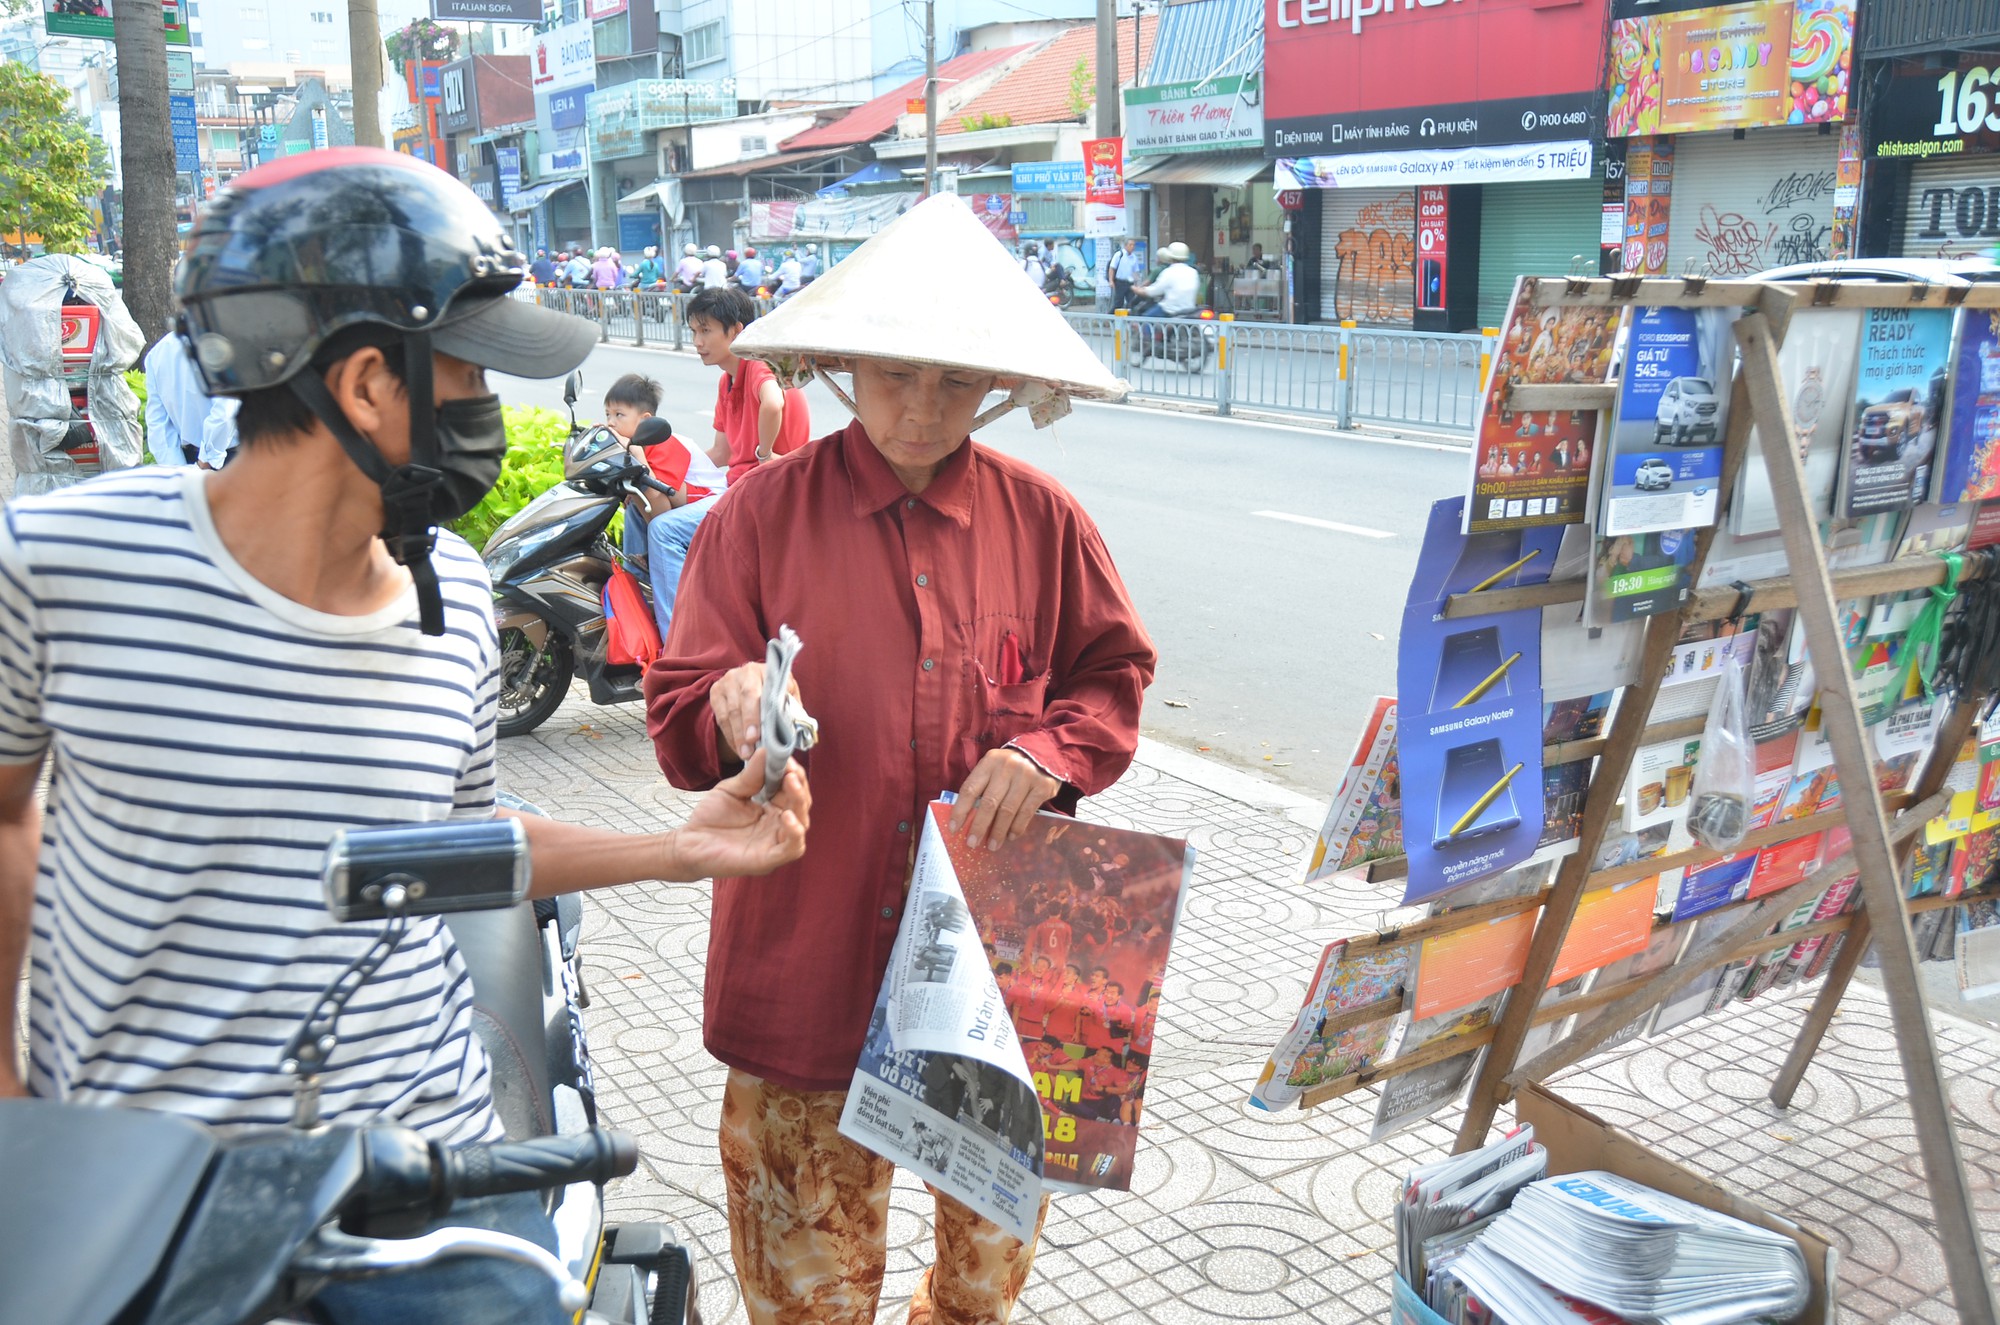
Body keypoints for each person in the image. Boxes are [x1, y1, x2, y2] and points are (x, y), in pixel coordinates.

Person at [0, 149, 812, 1325]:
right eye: (476, 376)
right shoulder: (63, 564)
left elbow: (447, 842)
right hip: (141, 1194)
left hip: (431, 1180)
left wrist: (678, 849)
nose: (491, 414)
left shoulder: (456, 601)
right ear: (373, 381)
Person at [644, 192, 1152, 1325]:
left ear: (996, 389)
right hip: (804, 971)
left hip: (992, 985)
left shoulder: (1046, 521)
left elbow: (1109, 681)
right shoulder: (757, 517)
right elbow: (680, 702)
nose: (922, 410)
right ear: (841, 368)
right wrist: (729, 700)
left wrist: (1048, 749)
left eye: (954, 382)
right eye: (892, 377)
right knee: (806, 1300)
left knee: (982, 1286)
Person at [688, 284, 809, 489]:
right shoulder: (727, 380)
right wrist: (674, 469)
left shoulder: (758, 365)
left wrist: (765, 454)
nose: (697, 342)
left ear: (736, 330)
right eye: (694, 332)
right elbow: (721, 452)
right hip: (740, 484)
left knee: (664, 523)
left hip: (769, 485)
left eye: (705, 331)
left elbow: (772, 403)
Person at [142, 323, 239, 468]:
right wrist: (205, 461)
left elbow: (157, 420)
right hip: (229, 461)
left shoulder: (159, 351)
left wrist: (176, 469)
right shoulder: (222, 345)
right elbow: (225, 412)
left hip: (187, 463)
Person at [1132, 240, 1199, 317]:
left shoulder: (1169, 272)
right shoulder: (1193, 272)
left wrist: (1136, 289)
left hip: (1169, 310)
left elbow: (1153, 291)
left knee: (1144, 322)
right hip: (1189, 310)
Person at [1110, 238, 1144, 310]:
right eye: (1130, 245)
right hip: (1120, 282)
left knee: (1131, 302)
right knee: (1118, 302)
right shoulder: (1119, 255)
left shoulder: (1134, 257)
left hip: (1130, 283)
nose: (1132, 247)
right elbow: (1112, 268)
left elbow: (1135, 272)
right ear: (1126, 246)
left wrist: (1137, 284)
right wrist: (1111, 280)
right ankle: (1110, 319)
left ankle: (1129, 319)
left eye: (1134, 245)